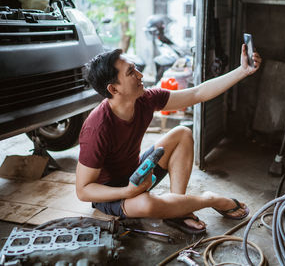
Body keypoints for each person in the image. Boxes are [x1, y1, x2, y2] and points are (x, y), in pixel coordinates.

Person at [76, 45, 262, 234]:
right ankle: (210, 199)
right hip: (111, 193)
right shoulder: (97, 128)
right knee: (146, 205)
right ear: (113, 88)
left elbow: (197, 93)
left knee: (182, 133)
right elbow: (83, 190)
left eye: (135, 68)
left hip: (137, 174)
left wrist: (242, 71)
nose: (140, 75)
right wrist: (127, 192)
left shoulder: (144, 100)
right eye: (131, 72)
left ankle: (178, 209)